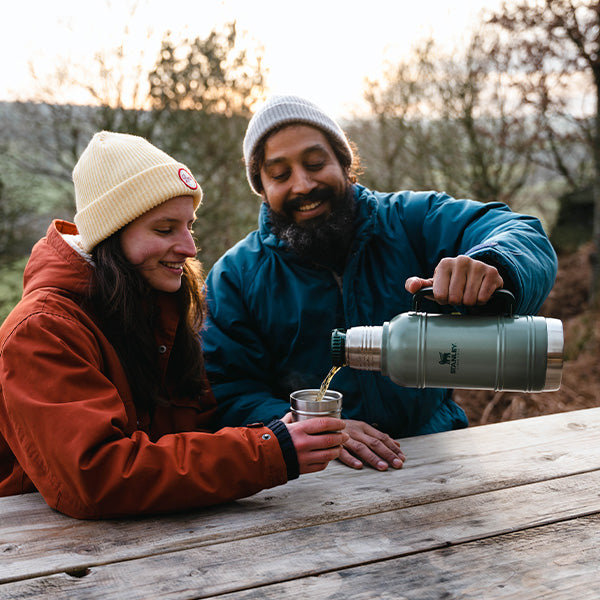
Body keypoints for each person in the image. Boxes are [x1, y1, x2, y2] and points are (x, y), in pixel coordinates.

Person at [0, 131, 347, 519]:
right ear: (110, 236)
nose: (190, 247)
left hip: (160, 535)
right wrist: (268, 450)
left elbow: (194, 430)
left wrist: (276, 429)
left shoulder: (155, 305)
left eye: (189, 226)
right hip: (44, 552)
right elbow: (96, 477)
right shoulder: (43, 330)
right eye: (165, 229)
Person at [202, 94, 558, 472]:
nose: (303, 184)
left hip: (437, 456)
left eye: (316, 163)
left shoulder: (411, 220)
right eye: (279, 174)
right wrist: (312, 429)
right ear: (261, 187)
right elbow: (228, 390)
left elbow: (523, 234)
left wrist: (491, 262)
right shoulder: (235, 276)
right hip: (315, 476)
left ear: (346, 164)